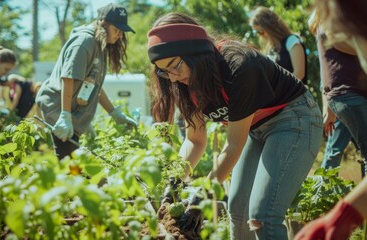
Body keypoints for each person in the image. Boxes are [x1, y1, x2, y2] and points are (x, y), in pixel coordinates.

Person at [147, 12, 322, 239]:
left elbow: (233, 145)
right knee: (238, 211)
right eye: (164, 70)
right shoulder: (184, 84)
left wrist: (203, 194)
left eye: (174, 66)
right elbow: (194, 140)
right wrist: (175, 181)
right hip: (255, 128)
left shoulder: (238, 65)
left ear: (195, 52)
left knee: (263, 215)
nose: (171, 78)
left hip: (294, 118)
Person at [294, 6, 367, 240]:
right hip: (349, 95)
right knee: (337, 155)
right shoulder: (329, 23)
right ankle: (317, 202)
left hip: (342, 97)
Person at [35, 3, 137, 159]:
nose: (120, 35)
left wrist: (114, 113)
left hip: (69, 111)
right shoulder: (84, 41)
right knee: (71, 164)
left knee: (71, 163)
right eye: (117, 30)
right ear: (103, 24)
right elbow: (68, 77)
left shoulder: (99, 44)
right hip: (57, 106)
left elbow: (94, 86)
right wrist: (65, 115)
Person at [249, 6, 308, 84]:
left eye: (261, 31)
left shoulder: (291, 40)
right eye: (257, 32)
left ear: (270, 27)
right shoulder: (270, 50)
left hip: (297, 95)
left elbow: (299, 74)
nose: (260, 35)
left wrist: (280, 89)